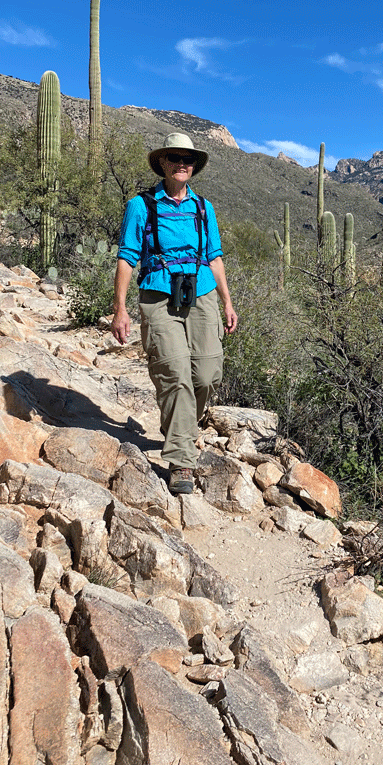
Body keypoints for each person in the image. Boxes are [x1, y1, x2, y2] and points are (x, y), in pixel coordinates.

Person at [111, 132, 238, 495]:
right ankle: (182, 460)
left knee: (207, 373)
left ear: (193, 166)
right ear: (163, 163)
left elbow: (214, 257)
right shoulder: (141, 205)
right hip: (158, 294)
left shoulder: (204, 207)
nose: (182, 164)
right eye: (175, 158)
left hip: (202, 292)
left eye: (188, 159)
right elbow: (127, 257)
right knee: (175, 372)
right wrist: (120, 309)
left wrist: (227, 302)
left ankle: (179, 427)